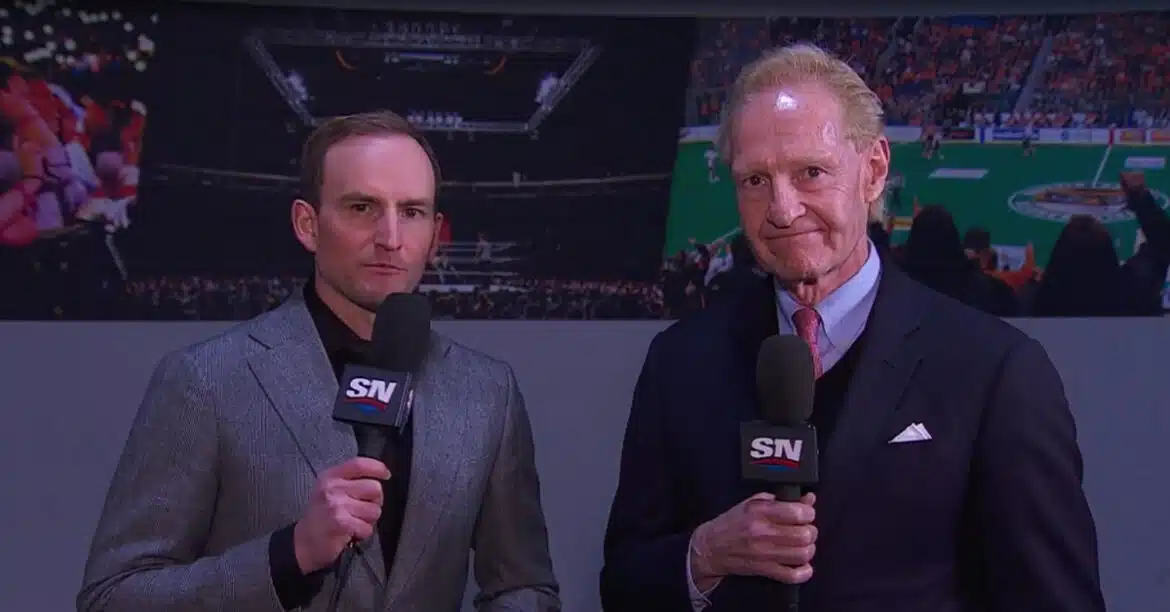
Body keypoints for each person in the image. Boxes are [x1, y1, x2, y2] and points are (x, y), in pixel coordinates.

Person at [599, 44, 1104, 612]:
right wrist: (703, 555)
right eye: (755, 180)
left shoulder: (994, 371)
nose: (782, 209)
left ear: (874, 169)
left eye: (811, 173)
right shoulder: (680, 363)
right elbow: (623, 585)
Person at [78, 111, 561, 612]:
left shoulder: (487, 392)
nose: (391, 237)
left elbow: (524, 587)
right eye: (362, 207)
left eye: (412, 211)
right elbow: (113, 597)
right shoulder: (205, 380)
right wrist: (290, 555)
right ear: (307, 225)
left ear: (436, 233)